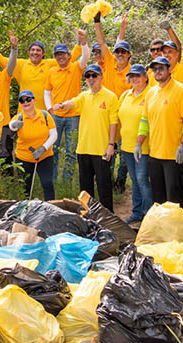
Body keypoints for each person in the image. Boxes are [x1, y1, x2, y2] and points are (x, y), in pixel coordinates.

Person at [50, 64, 118, 212]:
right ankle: (89, 216)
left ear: (101, 77)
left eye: (94, 75)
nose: (91, 79)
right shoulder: (84, 96)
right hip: (83, 149)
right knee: (86, 189)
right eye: (88, 76)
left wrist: (111, 145)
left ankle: (108, 217)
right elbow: (72, 103)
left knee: (104, 187)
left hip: (101, 149)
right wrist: (61, 105)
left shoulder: (111, 97)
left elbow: (114, 122)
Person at [137, 56, 183, 208]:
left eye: (161, 68)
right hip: (155, 154)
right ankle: (161, 230)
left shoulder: (182, 92)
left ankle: (177, 230)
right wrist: (139, 143)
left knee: (175, 200)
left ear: (169, 69)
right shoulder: (150, 93)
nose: (157, 71)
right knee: (159, 199)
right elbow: (145, 120)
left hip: (175, 156)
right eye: (154, 69)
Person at [0, 31, 81, 110]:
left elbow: (69, 59)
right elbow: (2, 60)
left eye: (38, 50)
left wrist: (79, 44)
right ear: (29, 52)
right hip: (24, 111)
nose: (35, 52)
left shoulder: (49, 64)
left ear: (43, 53)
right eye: (33, 50)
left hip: (45, 112)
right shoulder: (21, 64)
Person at [44, 29, 90, 181]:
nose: (60, 57)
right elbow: (47, 91)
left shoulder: (76, 67)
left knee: (71, 150)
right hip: (56, 116)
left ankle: (67, 179)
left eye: (63, 54)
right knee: (54, 149)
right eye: (58, 55)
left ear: (69, 56)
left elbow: (86, 56)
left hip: (73, 116)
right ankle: (54, 178)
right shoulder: (52, 71)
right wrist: (49, 108)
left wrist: (83, 41)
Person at [94, 11, 132, 193]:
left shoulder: (133, 73)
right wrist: (97, 22)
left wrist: (123, 29)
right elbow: (102, 42)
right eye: (118, 51)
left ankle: (120, 181)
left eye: (123, 52)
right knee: (108, 147)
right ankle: (106, 180)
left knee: (124, 151)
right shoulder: (109, 62)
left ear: (129, 55)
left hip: (125, 116)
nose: (120, 54)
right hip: (107, 112)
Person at [117, 64, 152, 224]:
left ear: (145, 77)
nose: (135, 79)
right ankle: (137, 212)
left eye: (138, 76)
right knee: (134, 179)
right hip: (127, 146)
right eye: (132, 76)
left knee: (142, 179)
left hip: (144, 146)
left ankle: (148, 215)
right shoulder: (125, 95)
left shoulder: (151, 94)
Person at [8, 90, 58, 200]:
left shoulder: (45, 115)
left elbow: (54, 134)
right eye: (22, 100)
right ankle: (25, 211)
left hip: (45, 156)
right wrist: (14, 124)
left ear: (34, 100)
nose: (25, 102)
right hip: (24, 158)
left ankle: (50, 210)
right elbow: (11, 126)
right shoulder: (19, 118)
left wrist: (43, 148)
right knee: (25, 188)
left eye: (28, 99)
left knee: (47, 184)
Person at [146, 19, 183, 87]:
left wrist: (168, 29)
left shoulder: (171, 64)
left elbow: (178, 47)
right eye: (153, 50)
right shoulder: (149, 69)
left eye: (158, 49)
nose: (155, 52)